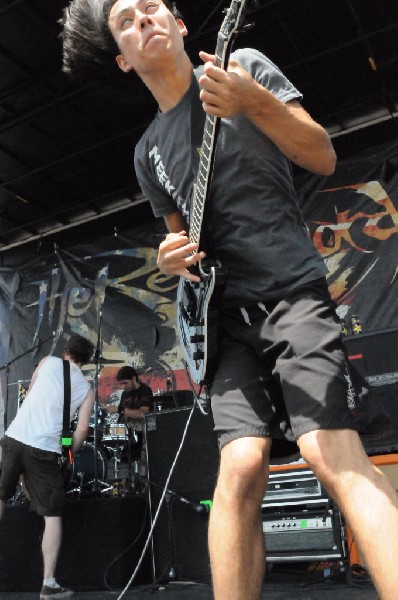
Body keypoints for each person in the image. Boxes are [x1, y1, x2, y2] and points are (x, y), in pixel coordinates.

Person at [60, 2, 398, 599]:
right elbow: (179, 238)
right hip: (222, 323)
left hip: (291, 294)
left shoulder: (240, 65)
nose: (144, 19)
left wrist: (252, 102)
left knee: (328, 447)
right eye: (126, 22)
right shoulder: (147, 153)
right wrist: (170, 259)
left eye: (151, 7)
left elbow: (321, 154)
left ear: (180, 23)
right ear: (122, 58)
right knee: (239, 470)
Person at [0, 334, 94, 600]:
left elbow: (29, 395)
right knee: (51, 515)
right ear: (85, 361)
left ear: (66, 351)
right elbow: (82, 429)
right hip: (45, 449)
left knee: (0, 496)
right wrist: (69, 455)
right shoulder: (87, 389)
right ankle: (49, 584)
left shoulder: (46, 362)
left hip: (15, 437)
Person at [103, 365, 152, 471]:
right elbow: (123, 414)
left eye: (125, 383)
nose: (123, 387)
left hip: (142, 430)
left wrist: (119, 409)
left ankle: (143, 474)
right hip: (127, 430)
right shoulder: (125, 394)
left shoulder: (145, 391)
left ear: (134, 379)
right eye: (121, 384)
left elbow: (142, 413)